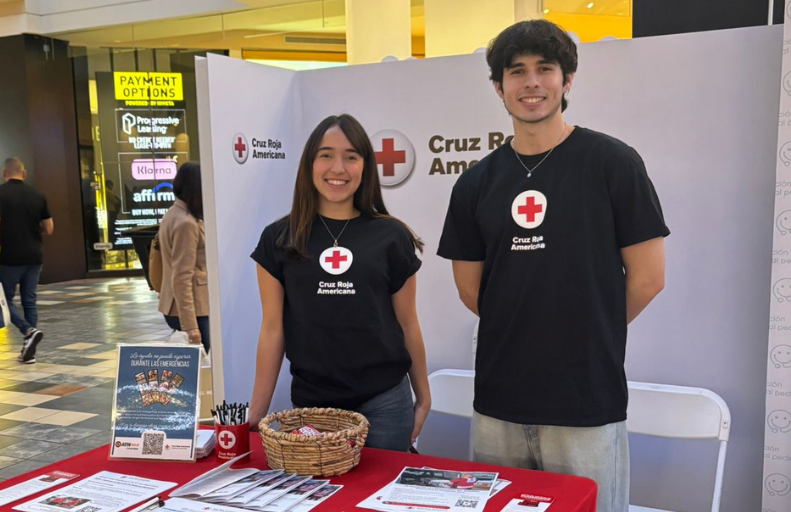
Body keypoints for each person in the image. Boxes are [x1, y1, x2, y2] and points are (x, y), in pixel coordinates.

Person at [437, 20, 669, 512]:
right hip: (499, 400)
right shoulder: (475, 183)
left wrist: (586, 331)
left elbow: (648, 279)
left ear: (567, 80)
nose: (532, 82)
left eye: (546, 68)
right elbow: (470, 289)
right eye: (516, 71)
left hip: (585, 398)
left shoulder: (613, 163)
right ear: (499, 87)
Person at [247, 114, 431, 452]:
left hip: (386, 401)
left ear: (365, 166)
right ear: (309, 164)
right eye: (326, 155)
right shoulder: (280, 239)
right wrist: (255, 413)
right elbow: (272, 329)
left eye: (351, 156)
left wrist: (423, 396)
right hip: (314, 405)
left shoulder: (391, 236)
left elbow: (407, 322)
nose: (338, 168)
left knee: (383, 497)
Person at [0, 157, 54, 364]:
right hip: (34, 256)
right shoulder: (37, 195)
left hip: (10, 258)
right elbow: (49, 228)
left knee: (3, 299)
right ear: (23, 174)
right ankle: (29, 350)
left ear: (4, 174)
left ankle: (27, 330)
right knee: (29, 301)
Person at [157, 162, 210, 352]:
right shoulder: (186, 223)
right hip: (194, 310)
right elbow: (182, 276)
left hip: (181, 306)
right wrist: (190, 326)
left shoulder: (173, 213)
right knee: (204, 371)